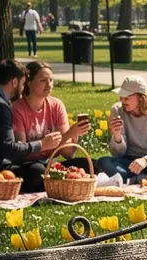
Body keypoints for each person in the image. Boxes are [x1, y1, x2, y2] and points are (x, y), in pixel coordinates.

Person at [11, 62, 90, 190]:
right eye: (43, 80)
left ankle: (57, 183)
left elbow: (67, 154)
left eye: (51, 80)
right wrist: (44, 145)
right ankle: (59, 184)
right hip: (28, 165)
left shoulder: (57, 105)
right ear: (29, 83)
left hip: (50, 163)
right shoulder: (18, 108)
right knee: (37, 172)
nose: (49, 85)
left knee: (88, 165)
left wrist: (73, 134)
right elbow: (21, 153)